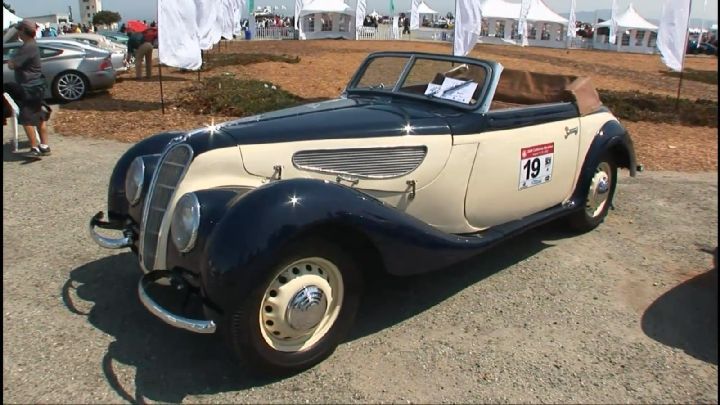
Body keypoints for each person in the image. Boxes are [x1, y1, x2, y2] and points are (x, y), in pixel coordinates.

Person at [7, 20, 52, 156]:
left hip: (29, 87)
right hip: (36, 86)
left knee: (26, 118)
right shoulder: (31, 45)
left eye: (19, 30)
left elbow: (12, 65)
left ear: (22, 31)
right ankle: (44, 146)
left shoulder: (27, 47)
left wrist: (11, 60)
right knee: (39, 116)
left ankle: (34, 149)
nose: (17, 33)